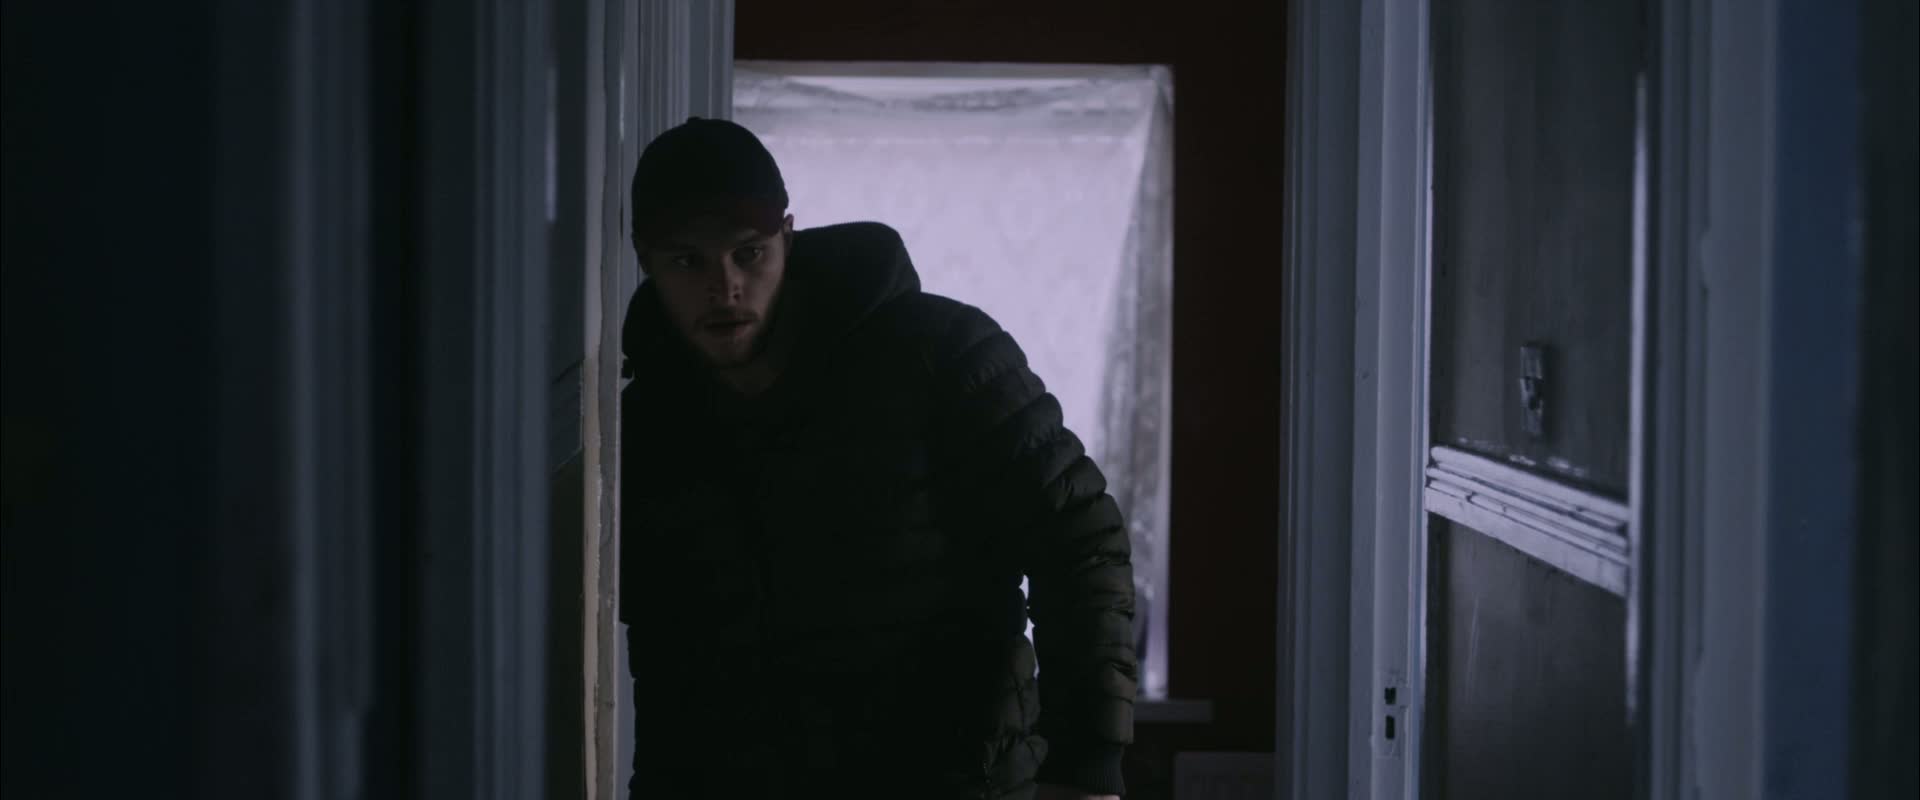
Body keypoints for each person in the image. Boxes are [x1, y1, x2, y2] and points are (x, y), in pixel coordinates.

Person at [619, 117, 1136, 800]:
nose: (726, 287)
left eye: (748, 253)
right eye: (688, 262)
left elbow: (1080, 541)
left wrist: (1088, 766)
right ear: (647, 261)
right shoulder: (650, 425)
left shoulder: (940, 355)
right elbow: (666, 662)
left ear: (788, 238)